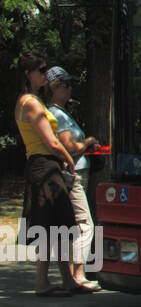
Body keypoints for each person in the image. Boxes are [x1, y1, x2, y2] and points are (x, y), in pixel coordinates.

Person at [13, 54, 82, 296]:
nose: (44, 74)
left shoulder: (32, 100)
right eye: (40, 70)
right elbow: (51, 140)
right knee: (48, 224)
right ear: (27, 74)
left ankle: (67, 280)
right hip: (44, 165)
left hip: (46, 166)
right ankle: (43, 282)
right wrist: (69, 159)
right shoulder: (30, 103)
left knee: (58, 224)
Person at [43, 67, 99, 290]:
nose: (70, 89)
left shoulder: (62, 112)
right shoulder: (56, 114)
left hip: (77, 174)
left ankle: (74, 274)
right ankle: (77, 274)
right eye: (65, 85)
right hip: (72, 175)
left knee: (75, 224)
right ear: (54, 87)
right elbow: (69, 147)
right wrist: (88, 142)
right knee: (85, 223)